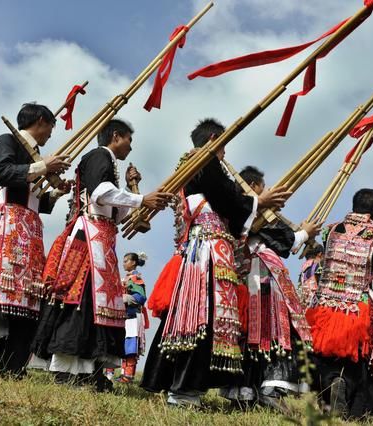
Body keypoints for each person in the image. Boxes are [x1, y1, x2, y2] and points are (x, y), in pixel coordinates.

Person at [140, 120, 288, 407]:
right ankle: (182, 391)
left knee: (201, 318)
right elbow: (226, 199)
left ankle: (185, 388)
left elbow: (228, 202)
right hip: (206, 251)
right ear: (213, 140)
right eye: (223, 146)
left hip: (210, 250)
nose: (225, 154)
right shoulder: (202, 162)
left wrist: (254, 203)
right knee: (200, 317)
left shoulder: (196, 165)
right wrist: (260, 201)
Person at [31, 119, 170, 392]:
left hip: (103, 238)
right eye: (129, 139)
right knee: (80, 299)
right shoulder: (99, 156)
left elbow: (117, 212)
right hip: (90, 236)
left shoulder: (111, 166)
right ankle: (66, 371)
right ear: (116, 136)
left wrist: (133, 189)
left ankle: (89, 370)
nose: (131, 146)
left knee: (99, 306)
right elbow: (100, 194)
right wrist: (142, 199)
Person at [0, 103, 70, 378]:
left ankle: (13, 367)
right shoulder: (7, 140)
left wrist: (55, 193)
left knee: (27, 300)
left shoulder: (36, 156)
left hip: (28, 230)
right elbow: (3, 174)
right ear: (41, 121)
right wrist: (43, 166)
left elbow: (32, 197)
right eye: (51, 128)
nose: (49, 136)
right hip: (5, 226)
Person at [227, 165, 319, 410]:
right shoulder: (253, 213)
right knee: (275, 328)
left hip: (243, 274)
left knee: (251, 333)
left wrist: (299, 234)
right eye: (263, 187)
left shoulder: (234, 210)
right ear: (255, 187)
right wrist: (305, 233)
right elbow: (285, 242)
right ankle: (270, 388)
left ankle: (244, 392)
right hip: (263, 275)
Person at [306, 188, 373, 419]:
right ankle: (354, 407)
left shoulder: (330, 231)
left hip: (324, 305)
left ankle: (330, 395)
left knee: (325, 355)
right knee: (356, 358)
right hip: (356, 308)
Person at [105, 251, 149, 384]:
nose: (123, 264)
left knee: (130, 346)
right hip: (123, 317)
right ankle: (109, 373)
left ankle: (127, 376)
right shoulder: (126, 278)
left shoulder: (136, 278)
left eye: (126, 261)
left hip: (131, 317)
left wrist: (125, 298)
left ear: (134, 262)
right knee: (118, 343)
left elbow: (141, 297)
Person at [297, 243, 323, 307]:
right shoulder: (318, 265)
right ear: (319, 254)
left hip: (304, 300)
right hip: (315, 301)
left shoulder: (304, 267)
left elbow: (299, 284)